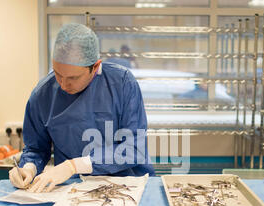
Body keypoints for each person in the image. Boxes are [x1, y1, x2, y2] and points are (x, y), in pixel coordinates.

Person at [9, 23, 155, 193]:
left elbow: (133, 149)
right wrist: (29, 168)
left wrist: (74, 165)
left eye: (73, 77)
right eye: (57, 74)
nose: (63, 85)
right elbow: (36, 148)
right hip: (74, 190)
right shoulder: (43, 94)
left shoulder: (121, 83)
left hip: (128, 186)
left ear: (95, 66)